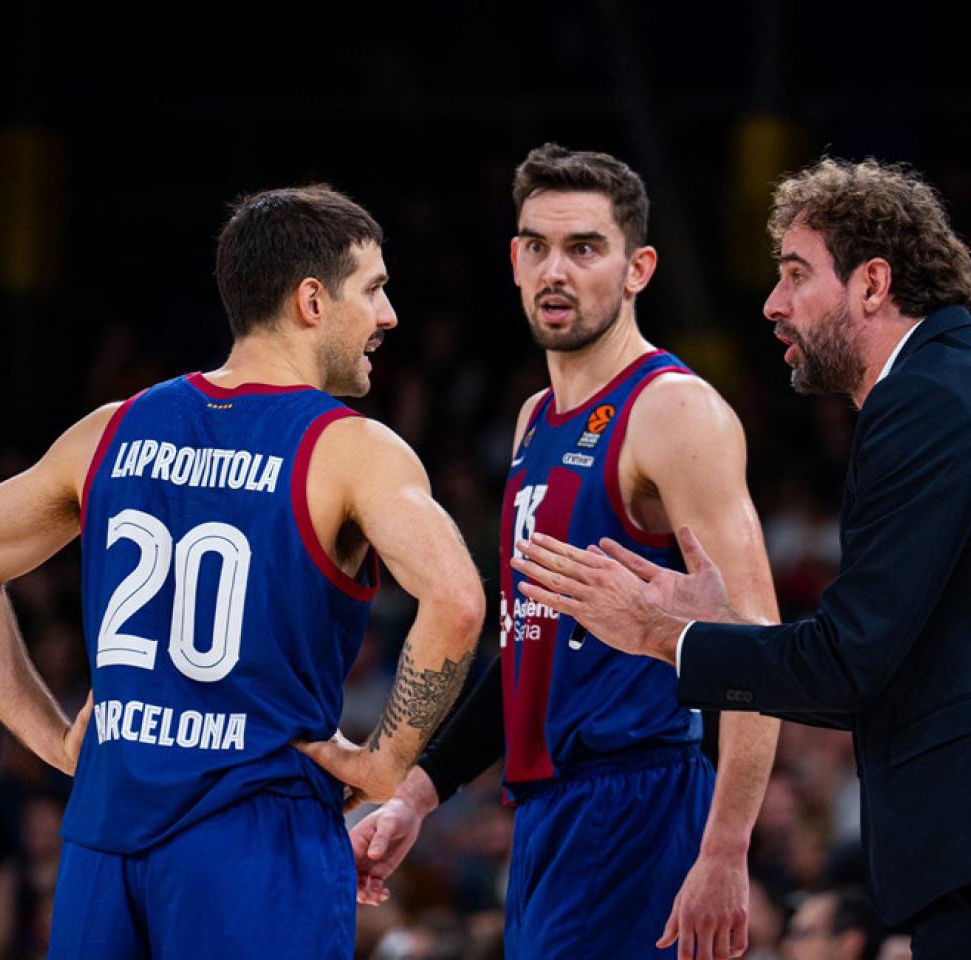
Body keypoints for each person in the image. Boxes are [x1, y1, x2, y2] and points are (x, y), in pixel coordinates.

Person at [511, 157, 971, 959]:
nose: (773, 305)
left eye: (796, 275)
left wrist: (668, 636)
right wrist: (719, 624)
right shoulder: (966, 387)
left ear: (872, 284)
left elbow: (849, 663)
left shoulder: (925, 405)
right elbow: (879, 662)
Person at [0, 185, 485, 959]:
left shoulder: (111, 429)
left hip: (103, 836)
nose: (389, 317)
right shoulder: (351, 451)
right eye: (374, 290)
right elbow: (455, 599)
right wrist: (385, 761)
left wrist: (52, 739)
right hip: (255, 835)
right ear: (312, 301)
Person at [321, 145, 782, 959]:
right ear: (513, 259)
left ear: (639, 268)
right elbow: (527, 647)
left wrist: (724, 847)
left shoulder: (674, 410)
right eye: (537, 246)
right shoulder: (537, 419)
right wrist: (418, 796)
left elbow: (757, 641)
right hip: (544, 816)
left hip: (637, 801)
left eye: (584, 248)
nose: (554, 271)